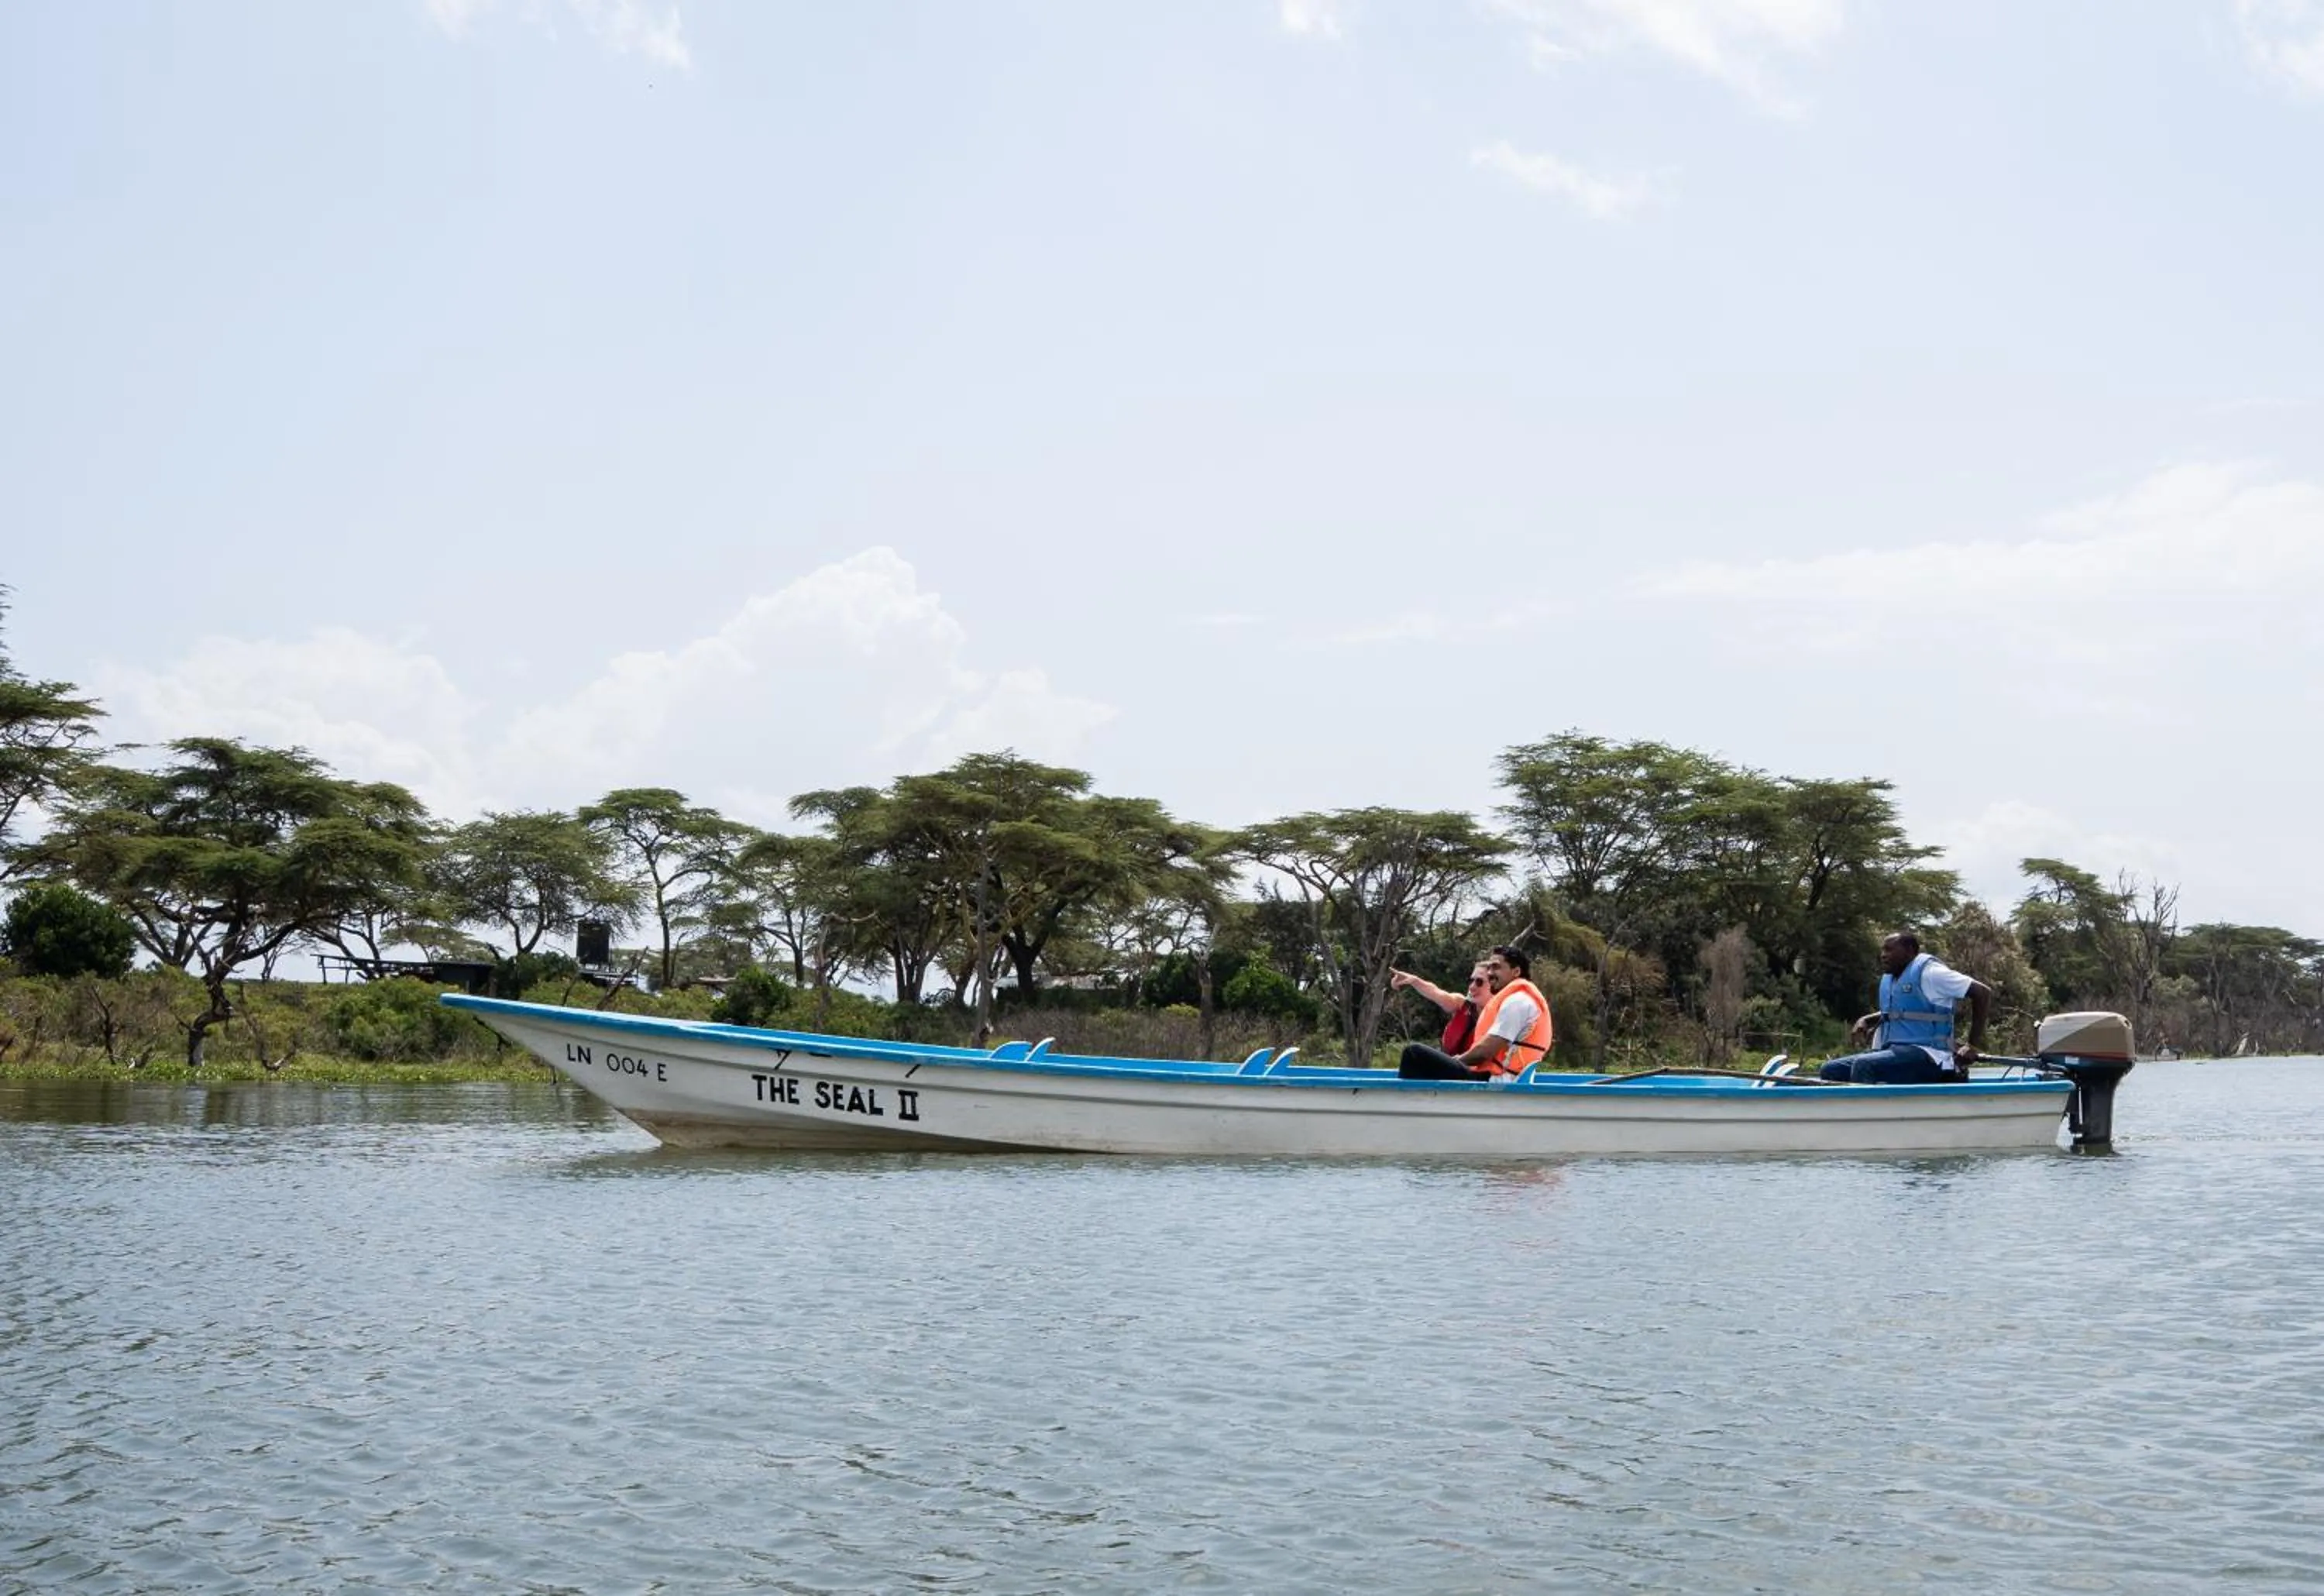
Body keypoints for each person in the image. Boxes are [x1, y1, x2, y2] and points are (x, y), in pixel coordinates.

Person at [1817, 931, 1992, 1083]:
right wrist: (1866, 1020)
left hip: (1931, 1056)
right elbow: (1899, 1014)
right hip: (1897, 1053)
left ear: (1909, 951)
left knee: (1864, 1065)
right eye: (1883, 950)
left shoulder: (1931, 973)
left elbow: (1982, 993)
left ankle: (1867, 1118)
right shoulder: (1893, 978)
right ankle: (1847, 1117)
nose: (1883, 955)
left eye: (1890, 950)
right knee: (1830, 1070)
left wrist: (1972, 1045)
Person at [1391, 946, 1554, 1081]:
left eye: (1496, 967)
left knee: (1413, 1054)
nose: (1490, 973)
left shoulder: (1518, 1001)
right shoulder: (1505, 1000)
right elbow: (1436, 993)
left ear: (1516, 972)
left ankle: (1406, 1108)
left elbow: (1485, 1052)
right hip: (1493, 1075)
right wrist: (1413, 981)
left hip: (1496, 1079)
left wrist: (1455, 1061)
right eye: (1489, 968)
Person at [1387, 961, 1491, 1057]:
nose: (1472, 987)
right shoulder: (1461, 1004)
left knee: (1414, 1051)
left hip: (1477, 1072)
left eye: (1479, 982)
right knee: (1412, 1053)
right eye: (1471, 981)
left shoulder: (1502, 1015)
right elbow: (1436, 993)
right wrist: (1414, 981)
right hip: (1453, 1066)